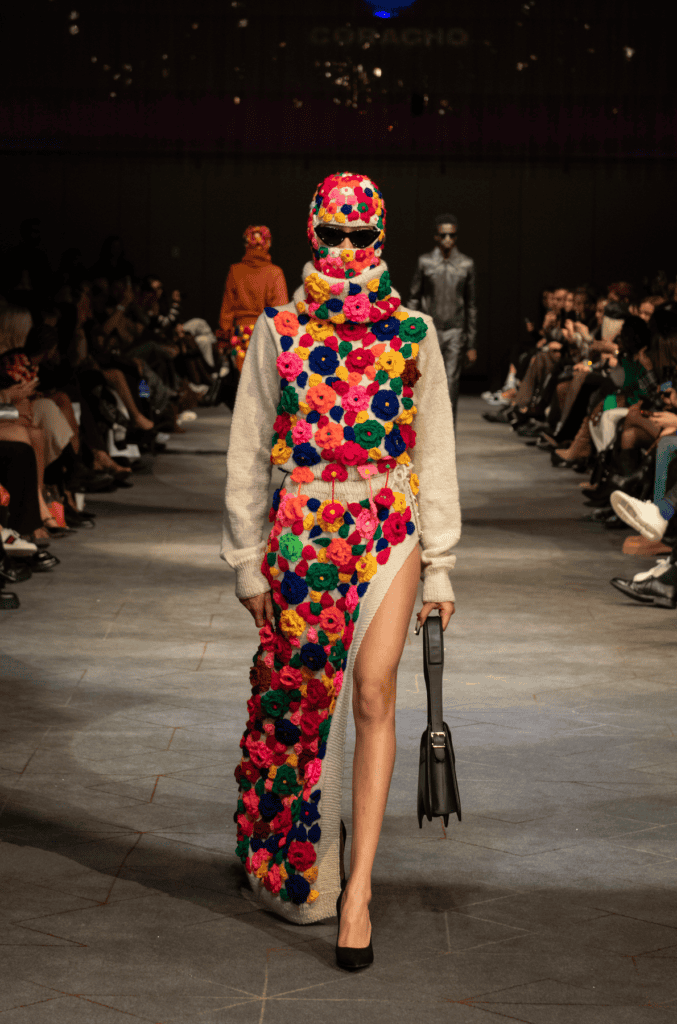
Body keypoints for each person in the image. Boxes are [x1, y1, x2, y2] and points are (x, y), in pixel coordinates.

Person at [221, 172, 461, 969]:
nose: (347, 248)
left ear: (380, 236)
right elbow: (249, 443)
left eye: (360, 235)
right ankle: (302, 860)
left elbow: (434, 445)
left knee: (373, 691)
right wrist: (246, 560)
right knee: (300, 704)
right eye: (334, 234)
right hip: (301, 530)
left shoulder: (412, 332)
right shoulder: (280, 329)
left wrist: (440, 565)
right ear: (311, 233)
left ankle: (358, 889)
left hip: (388, 522)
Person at [407, 214, 477, 422]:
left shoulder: (466, 264)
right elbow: (414, 298)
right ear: (436, 237)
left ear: (456, 237)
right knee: (427, 383)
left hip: (455, 332)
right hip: (431, 330)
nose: (448, 239)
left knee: (451, 383)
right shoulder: (425, 262)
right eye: (443, 235)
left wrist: (471, 343)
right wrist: (409, 332)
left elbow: (472, 305)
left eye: (452, 235)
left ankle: (448, 435)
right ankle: (428, 433)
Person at [218, 225, 288, 375]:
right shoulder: (275, 273)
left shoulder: (235, 271)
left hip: (240, 336)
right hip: (265, 335)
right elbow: (281, 313)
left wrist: (223, 341)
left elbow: (227, 311)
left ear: (246, 244)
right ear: (268, 244)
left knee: (243, 380)